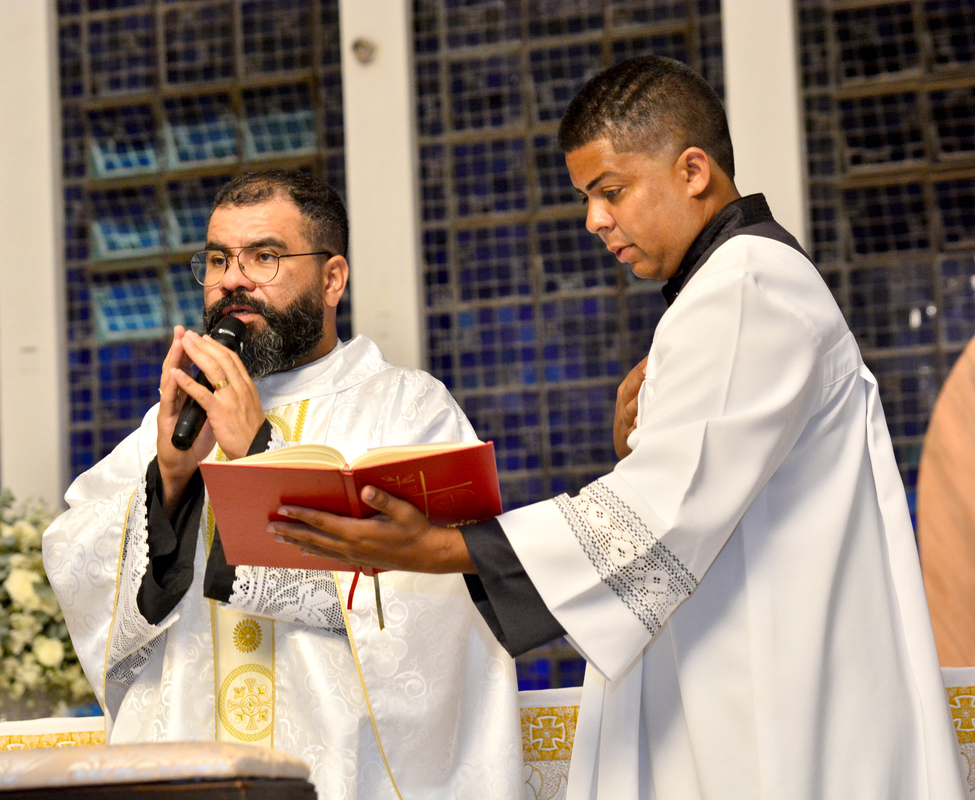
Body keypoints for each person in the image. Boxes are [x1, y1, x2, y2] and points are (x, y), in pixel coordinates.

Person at [270, 57, 967, 798]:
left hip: (776, 707)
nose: (594, 220)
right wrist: (638, 450)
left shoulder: (747, 288)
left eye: (611, 191)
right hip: (741, 683)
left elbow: (666, 509)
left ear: (693, 170)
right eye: (586, 198)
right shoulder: (726, 292)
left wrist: (436, 547)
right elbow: (701, 496)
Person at [42, 169, 522, 800]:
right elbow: (75, 556)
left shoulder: (407, 410)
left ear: (332, 279)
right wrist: (170, 483)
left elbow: (435, 603)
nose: (232, 279)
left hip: (341, 777)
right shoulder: (177, 419)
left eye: (263, 256)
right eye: (217, 259)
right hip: (193, 769)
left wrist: (257, 454)